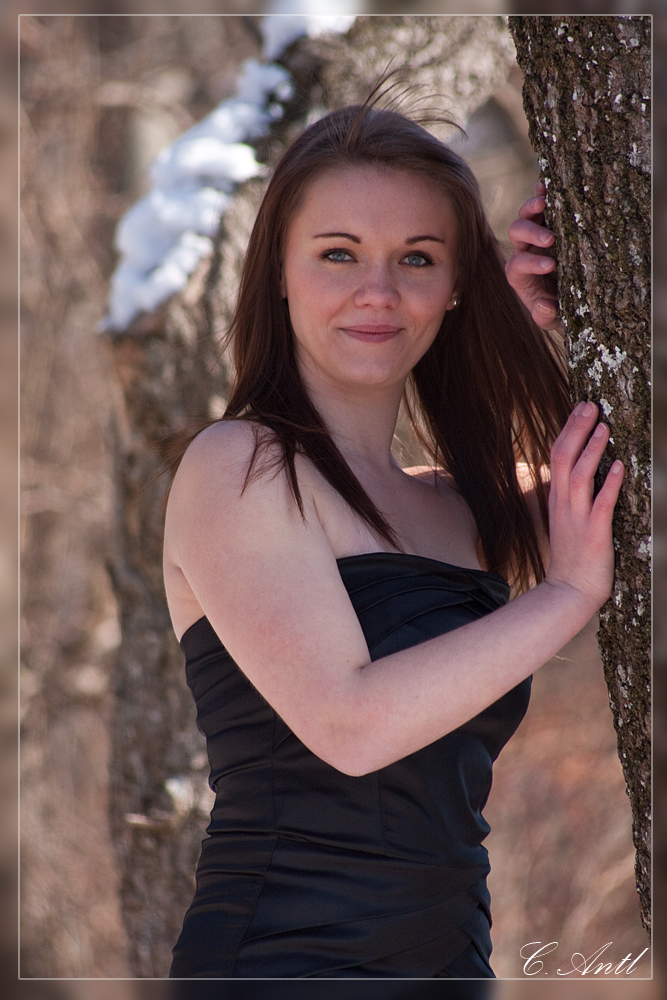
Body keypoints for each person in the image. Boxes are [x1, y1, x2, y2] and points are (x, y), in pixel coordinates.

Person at [163, 103, 623, 979]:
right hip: (284, 966)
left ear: (454, 286)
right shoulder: (240, 467)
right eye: (338, 253)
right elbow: (350, 724)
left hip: (451, 963)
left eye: (417, 258)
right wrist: (565, 595)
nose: (378, 291)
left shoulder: (455, 507)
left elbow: (588, 487)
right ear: (280, 274)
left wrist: (546, 326)